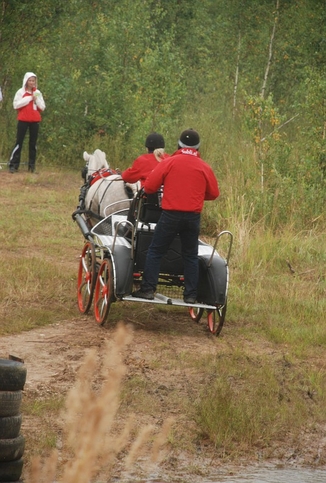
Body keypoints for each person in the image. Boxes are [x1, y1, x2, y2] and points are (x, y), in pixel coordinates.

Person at [132, 129, 220, 304]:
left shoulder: (170, 162)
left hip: (171, 215)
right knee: (190, 255)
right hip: (193, 218)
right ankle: (190, 295)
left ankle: (148, 289)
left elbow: (149, 187)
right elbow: (213, 193)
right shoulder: (204, 166)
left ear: (179, 145)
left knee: (155, 251)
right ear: (197, 147)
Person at [9, 72, 46, 173]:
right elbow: (16, 105)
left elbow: (42, 107)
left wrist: (36, 99)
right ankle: (13, 165)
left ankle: (32, 166)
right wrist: (29, 98)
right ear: (26, 81)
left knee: (33, 144)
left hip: (35, 121)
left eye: (33, 81)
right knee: (19, 142)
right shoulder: (20, 92)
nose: (31, 82)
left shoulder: (37, 92)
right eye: (30, 80)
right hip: (23, 120)